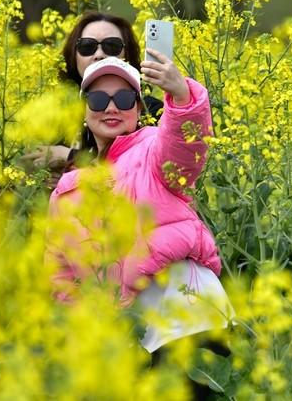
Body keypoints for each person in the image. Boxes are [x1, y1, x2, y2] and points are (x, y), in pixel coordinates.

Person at [47, 55, 233, 355]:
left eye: (123, 98)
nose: (111, 107)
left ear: (137, 109)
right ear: (84, 112)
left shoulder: (153, 150)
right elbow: (61, 278)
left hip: (183, 310)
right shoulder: (67, 192)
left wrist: (182, 96)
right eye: (97, 99)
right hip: (123, 334)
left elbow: (186, 149)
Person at [21, 12, 163, 173]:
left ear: (128, 53)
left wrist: (70, 157)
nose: (99, 55)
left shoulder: (149, 108)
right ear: (73, 55)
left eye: (112, 46)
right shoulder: (55, 111)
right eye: (87, 46)